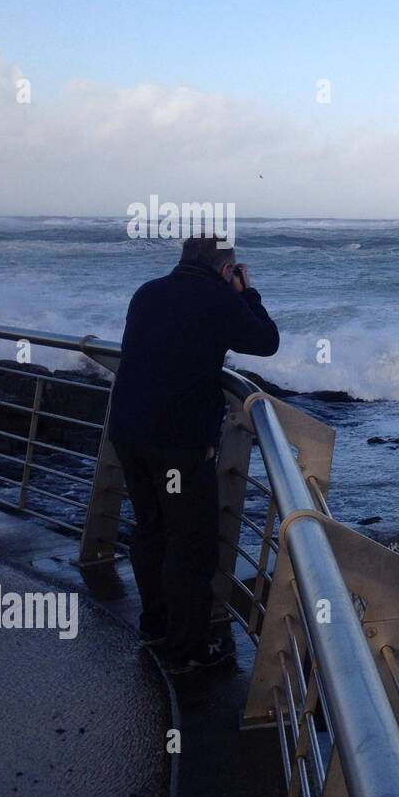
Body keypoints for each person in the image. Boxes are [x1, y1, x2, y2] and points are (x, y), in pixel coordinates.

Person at [107, 237, 280, 673]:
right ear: (227, 271)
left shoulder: (148, 292)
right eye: (235, 273)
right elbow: (265, 340)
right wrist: (248, 292)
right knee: (191, 542)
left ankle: (156, 625)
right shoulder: (217, 297)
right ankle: (187, 651)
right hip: (177, 442)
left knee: (150, 529)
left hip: (127, 431)